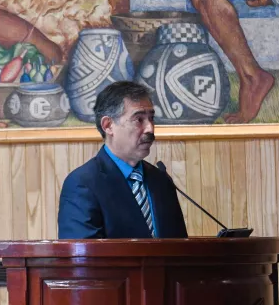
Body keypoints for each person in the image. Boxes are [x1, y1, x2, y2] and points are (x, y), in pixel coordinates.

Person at [57, 81, 188, 239]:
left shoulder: (161, 180)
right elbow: (84, 252)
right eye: (139, 119)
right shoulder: (82, 184)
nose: (150, 128)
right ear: (108, 125)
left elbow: (180, 245)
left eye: (151, 118)